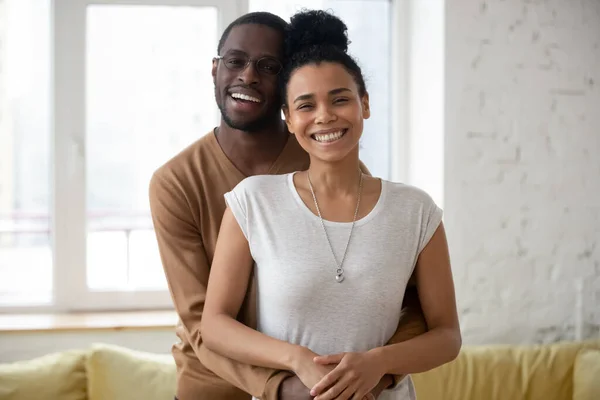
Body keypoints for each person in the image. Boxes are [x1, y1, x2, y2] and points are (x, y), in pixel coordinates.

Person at [150, 11, 428, 400]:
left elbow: (410, 303)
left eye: (268, 66)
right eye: (235, 61)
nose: (248, 75)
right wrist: (280, 386)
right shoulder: (176, 182)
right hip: (216, 388)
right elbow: (201, 322)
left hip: (328, 388)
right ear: (215, 69)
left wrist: (376, 374)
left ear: (287, 85)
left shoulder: (332, 159)